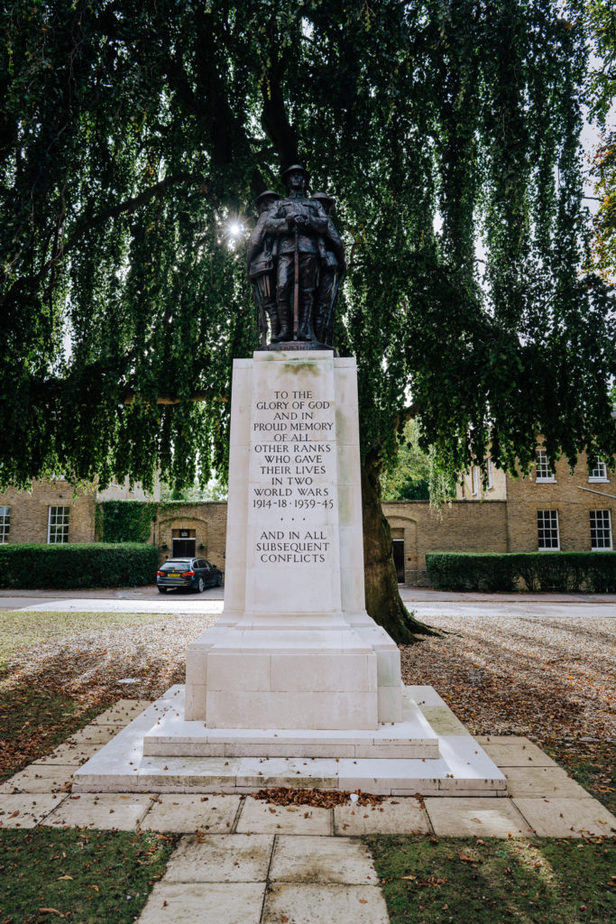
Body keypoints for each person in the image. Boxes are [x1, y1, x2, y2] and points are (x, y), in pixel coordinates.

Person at [246, 190, 282, 347]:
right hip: (280, 263)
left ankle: (275, 335)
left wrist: (248, 262)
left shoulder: (265, 217)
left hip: (263, 263)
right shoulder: (281, 219)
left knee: (269, 302)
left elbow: (255, 240)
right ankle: (278, 333)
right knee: (279, 300)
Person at [310, 192, 346, 346]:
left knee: (311, 302)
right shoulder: (325, 221)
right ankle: (318, 339)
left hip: (309, 264)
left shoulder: (309, 223)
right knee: (323, 304)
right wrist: (343, 262)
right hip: (328, 264)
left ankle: (315, 338)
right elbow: (337, 242)